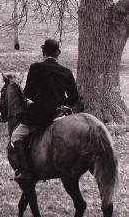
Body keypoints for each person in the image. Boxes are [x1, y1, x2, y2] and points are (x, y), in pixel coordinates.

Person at [9, 38, 79, 182]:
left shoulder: (35, 68)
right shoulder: (66, 71)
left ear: (43, 51)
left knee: (16, 135)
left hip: (41, 114)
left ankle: (25, 171)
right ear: (58, 53)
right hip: (60, 113)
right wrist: (65, 104)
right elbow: (74, 98)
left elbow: (28, 93)